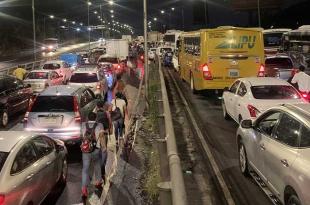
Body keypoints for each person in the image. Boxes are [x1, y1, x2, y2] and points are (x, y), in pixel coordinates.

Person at [81, 112, 103, 200]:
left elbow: (81, 136)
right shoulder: (100, 125)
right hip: (96, 149)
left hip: (85, 150)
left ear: (87, 118)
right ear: (96, 118)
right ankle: (98, 182)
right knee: (97, 165)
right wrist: (104, 147)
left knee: (85, 169)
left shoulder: (83, 125)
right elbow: (101, 137)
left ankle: (83, 188)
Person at [95, 101, 112, 183]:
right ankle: (102, 171)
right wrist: (110, 131)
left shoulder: (94, 115)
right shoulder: (106, 113)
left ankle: (99, 176)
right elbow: (109, 123)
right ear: (103, 106)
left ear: (97, 106)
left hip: (97, 135)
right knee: (104, 152)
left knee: (98, 154)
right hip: (104, 135)